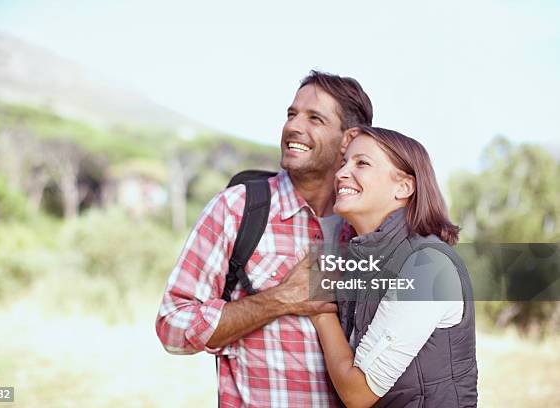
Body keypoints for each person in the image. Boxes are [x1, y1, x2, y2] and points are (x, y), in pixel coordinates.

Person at [156, 71, 374, 407]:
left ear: (349, 139)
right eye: (291, 114)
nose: (293, 127)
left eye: (314, 118)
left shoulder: (369, 227)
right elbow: (172, 326)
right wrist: (281, 298)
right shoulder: (237, 209)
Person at [301, 126, 478, 407]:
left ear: (404, 187)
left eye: (362, 163)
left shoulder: (427, 266)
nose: (340, 174)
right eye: (344, 162)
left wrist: (320, 312)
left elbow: (358, 393)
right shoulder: (361, 260)